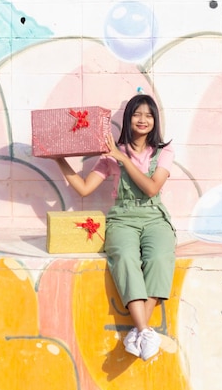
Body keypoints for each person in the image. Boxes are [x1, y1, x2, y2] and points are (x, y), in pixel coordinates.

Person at [52, 93, 176, 361]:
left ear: (155, 120)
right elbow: (84, 188)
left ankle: (138, 331)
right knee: (125, 258)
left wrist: (122, 158)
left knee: (159, 258)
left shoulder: (163, 152)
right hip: (122, 219)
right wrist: (58, 159)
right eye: (137, 114)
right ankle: (145, 330)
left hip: (154, 217)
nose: (143, 120)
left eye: (149, 115)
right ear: (128, 118)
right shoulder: (110, 156)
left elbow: (152, 188)